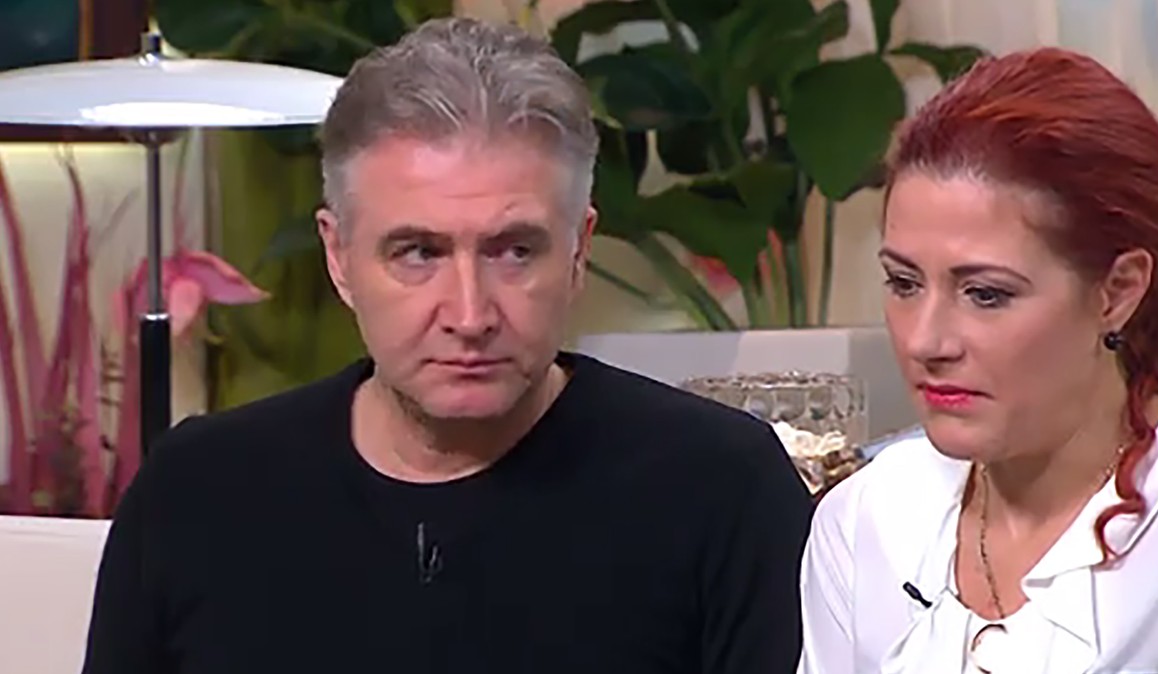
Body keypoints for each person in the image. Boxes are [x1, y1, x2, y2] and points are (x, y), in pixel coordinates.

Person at [80, 16, 813, 674]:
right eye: (418, 253)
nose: (469, 314)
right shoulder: (197, 495)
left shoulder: (723, 491)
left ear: (579, 251)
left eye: (515, 251)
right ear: (339, 257)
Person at [799, 47, 1158, 673]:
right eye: (903, 283)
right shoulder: (864, 519)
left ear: (1117, 292)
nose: (926, 341)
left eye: (986, 294)